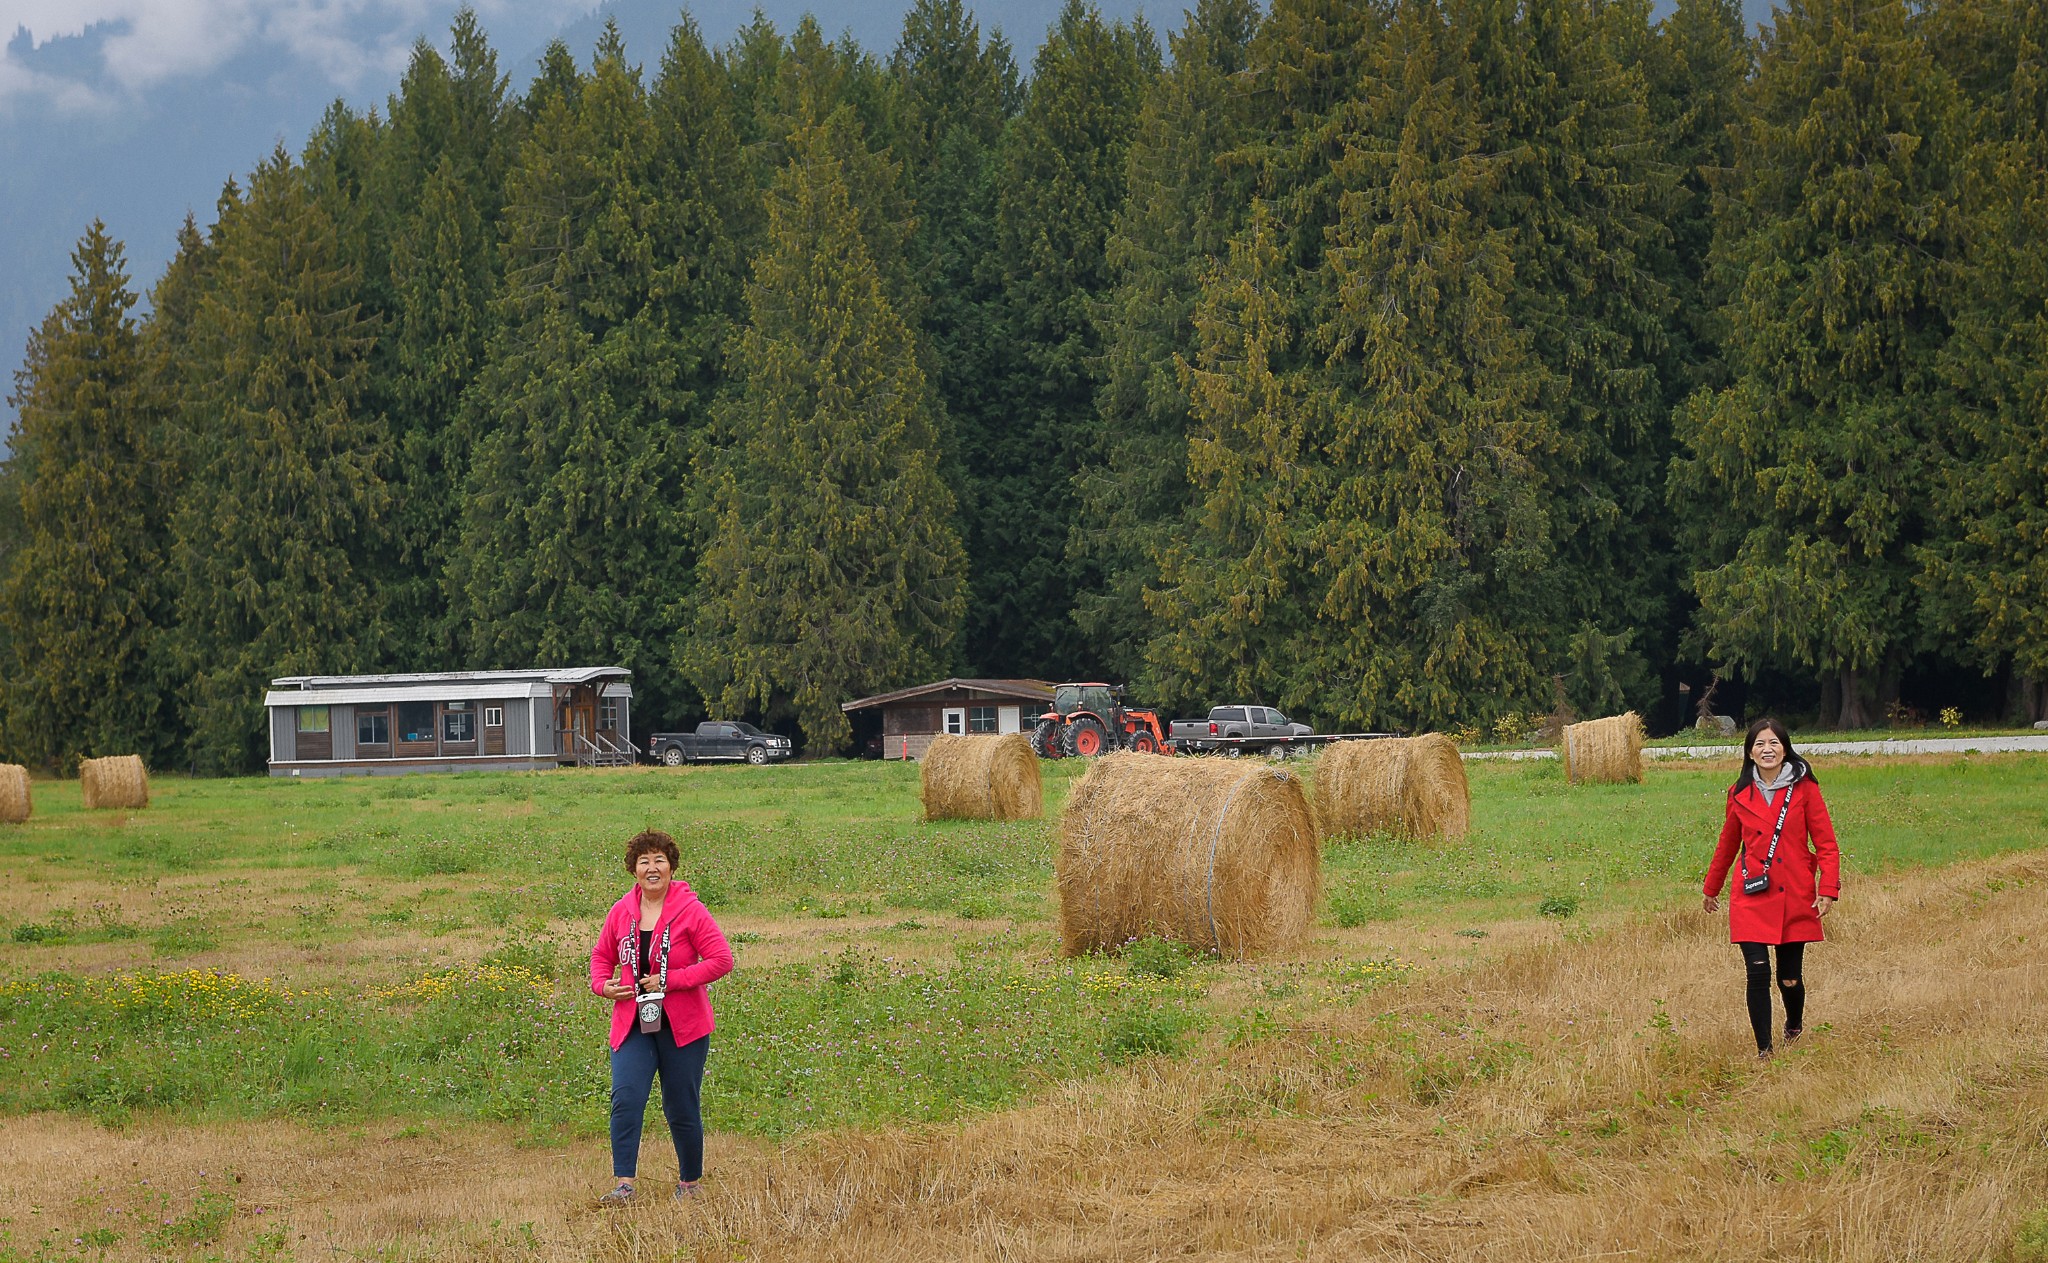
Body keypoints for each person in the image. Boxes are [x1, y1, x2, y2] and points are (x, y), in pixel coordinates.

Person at [590, 829, 733, 1205]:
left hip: (683, 1026)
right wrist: (603, 986)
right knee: (626, 1097)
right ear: (633, 870)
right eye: (644, 862)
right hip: (632, 1022)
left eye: (659, 861)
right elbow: (601, 956)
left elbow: (722, 960)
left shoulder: (691, 910)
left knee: (680, 1104)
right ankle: (624, 1185)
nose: (652, 868)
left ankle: (689, 1183)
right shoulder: (621, 911)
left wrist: (671, 981)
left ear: (671, 867)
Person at [1702, 718, 1840, 1059]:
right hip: (1751, 892)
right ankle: (1765, 1051)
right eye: (1760, 744)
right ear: (1750, 752)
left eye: (1774, 743)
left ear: (1785, 749)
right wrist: (1711, 887)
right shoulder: (1738, 793)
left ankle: (1794, 1023)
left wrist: (1828, 888)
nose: (1767, 749)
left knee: (1789, 978)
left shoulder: (1805, 789)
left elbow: (1826, 843)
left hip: (1794, 893)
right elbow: (1728, 843)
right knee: (1758, 970)